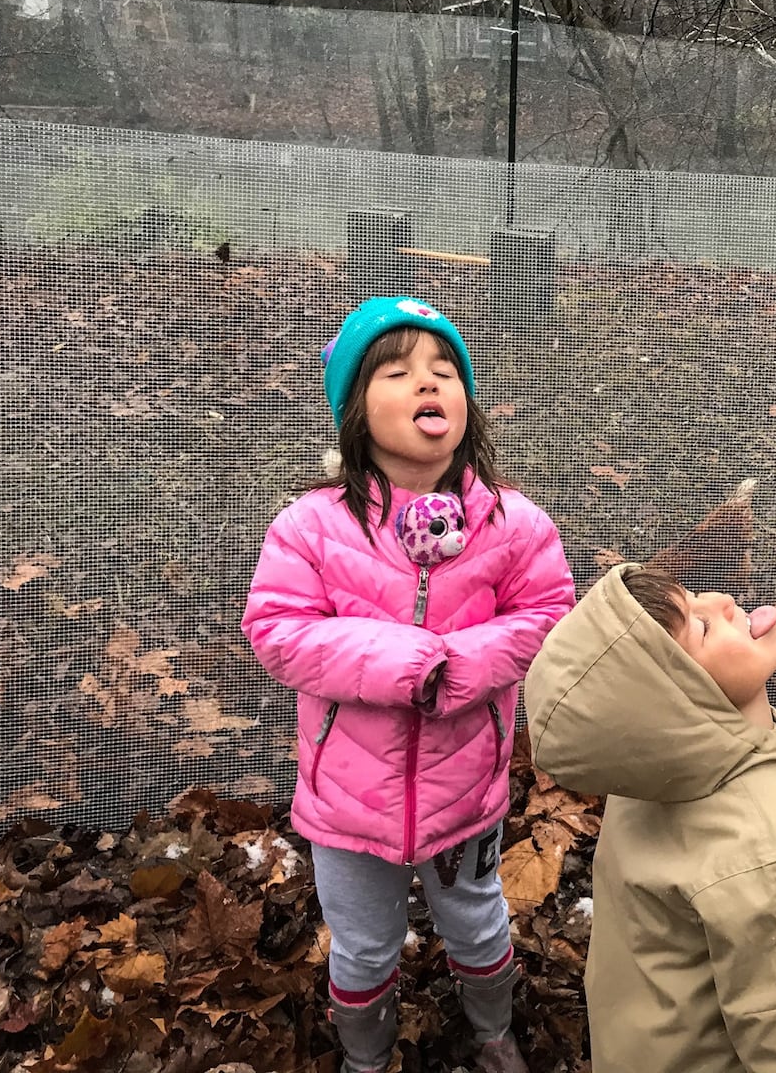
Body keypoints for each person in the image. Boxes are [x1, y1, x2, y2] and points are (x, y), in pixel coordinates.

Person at [243, 297, 575, 1073]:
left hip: (468, 788)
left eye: (444, 370)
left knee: (481, 925)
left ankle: (492, 1033)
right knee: (361, 949)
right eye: (397, 371)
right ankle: (366, 1058)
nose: (428, 384)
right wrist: (401, 660)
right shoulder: (312, 527)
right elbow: (278, 631)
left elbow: (549, 614)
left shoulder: (513, 525)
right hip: (347, 797)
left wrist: (457, 668)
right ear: (356, 408)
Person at [524, 564, 776, 1073]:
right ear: (678, 701)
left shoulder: (655, 776)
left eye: (695, 596)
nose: (723, 600)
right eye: (703, 627)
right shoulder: (768, 850)